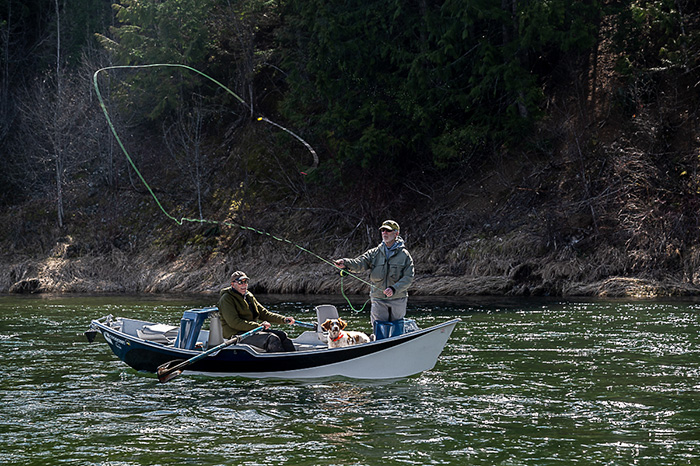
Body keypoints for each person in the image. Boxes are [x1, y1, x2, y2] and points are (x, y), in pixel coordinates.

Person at [334, 220, 414, 326]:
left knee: (397, 327)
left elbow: (408, 277)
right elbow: (359, 263)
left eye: (388, 231)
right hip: (378, 298)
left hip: (398, 299)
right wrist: (345, 263)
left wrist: (394, 288)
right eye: (383, 230)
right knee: (379, 327)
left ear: (396, 233)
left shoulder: (405, 255)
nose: (384, 233)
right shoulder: (374, 253)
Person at [217, 270, 296, 352]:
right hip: (236, 335)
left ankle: (294, 360)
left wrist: (283, 319)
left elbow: (264, 314)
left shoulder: (248, 296)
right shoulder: (226, 299)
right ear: (233, 284)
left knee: (282, 335)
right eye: (240, 282)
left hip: (251, 331)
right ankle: (280, 363)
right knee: (271, 339)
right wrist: (258, 326)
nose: (244, 285)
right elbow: (234, 322)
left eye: (246, 282)